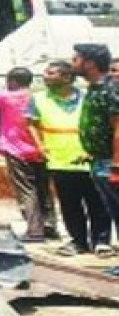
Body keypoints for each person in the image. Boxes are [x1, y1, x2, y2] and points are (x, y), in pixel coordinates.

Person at [0, 67, 57, 241]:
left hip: (17, 150)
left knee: (27, 190)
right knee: (44, 189)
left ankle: (34, 230)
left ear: (12, 81)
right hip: (41, 148)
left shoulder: (6, 96)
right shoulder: (39, 96)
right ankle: (50, 226)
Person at [32, 60, 111, 256]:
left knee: (98, 203)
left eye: (51, 73)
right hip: (59, 159)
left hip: (89, 158)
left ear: (67, 77)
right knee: (70, 205)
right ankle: (78, 241)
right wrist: (40, 146)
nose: (45, 76)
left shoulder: (88, 97)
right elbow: (31, 122)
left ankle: (101, 241)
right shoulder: (39, 99)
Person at [71, 43, 119, 257]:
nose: (73, 64)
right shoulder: (95, 88)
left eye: (76, 59)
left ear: (89, 63)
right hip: (100, 159)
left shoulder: (111, 88)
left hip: (111, 162)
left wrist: (117, 164)